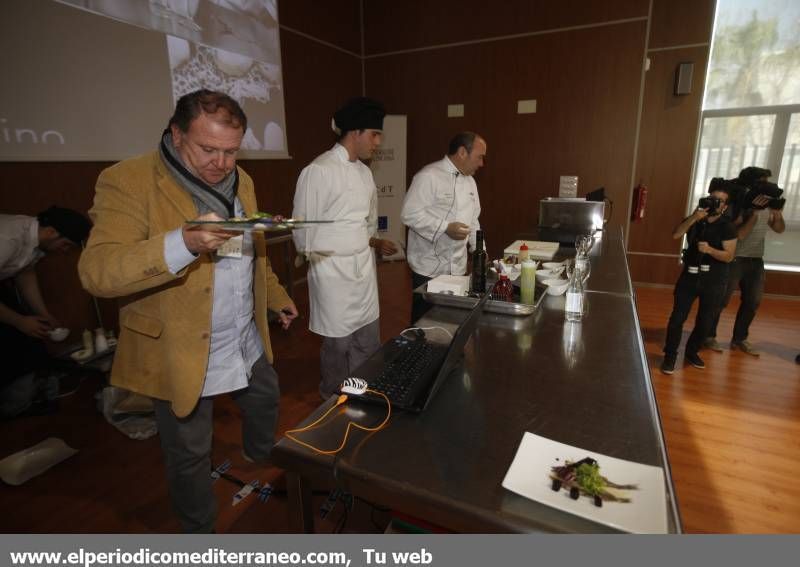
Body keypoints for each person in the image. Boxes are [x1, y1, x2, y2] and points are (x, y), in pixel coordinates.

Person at [78, 89, 298, 533]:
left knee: (265, 396)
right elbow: (98, 272)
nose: (221, 163)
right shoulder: (128, 179)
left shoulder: (243, 180)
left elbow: (252, 251)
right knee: (189, 449)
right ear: (176, 134)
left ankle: (261, 463)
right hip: (179, 344)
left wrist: (275, 297)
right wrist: (184, 242)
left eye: (231, 151)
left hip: (242, 331)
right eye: (208, 149)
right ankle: (199, 532)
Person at [291, 97, 397, 399]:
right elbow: (303, 228)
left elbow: (367, 224)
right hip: (332, 271)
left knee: (367, 337)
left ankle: (361, 390)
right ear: (355, 132)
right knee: (337, 344)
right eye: (374, 135)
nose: (377, 142)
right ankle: (331, 397)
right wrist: (324, 262)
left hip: (363, 269)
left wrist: (372, 242)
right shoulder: (318, 170)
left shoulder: (364, 173)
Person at [1, 206, 91, 418]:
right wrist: (19, 321)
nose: (65, 250)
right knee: (11, 336)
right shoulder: (8, 239)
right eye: (65, 244)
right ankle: (10, 406)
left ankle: (27, 398)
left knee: (28, 337)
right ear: (51, 232)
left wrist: (43, 313)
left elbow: (24, 273)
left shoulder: (36, 242)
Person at [401, 132, 487, 323]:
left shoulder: (470, 182)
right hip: (428, 268)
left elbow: (474, 221)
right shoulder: (428, 176)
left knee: (453, 320)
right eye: (479, 157)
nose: (482, 164)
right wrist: (445, 227)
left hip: (457, 267)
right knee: (424, 323)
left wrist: (480, 251)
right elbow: (409, 214)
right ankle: (419, 353)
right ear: (463, 152)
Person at [704, 167, 785, 357]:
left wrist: (777, 213)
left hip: (756, 259)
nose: (766, 187)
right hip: (735, 258)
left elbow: (779, 229)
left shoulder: (767, 203)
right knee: (721, 300)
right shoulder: (738, 203)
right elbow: (737, 235)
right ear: (752, 184)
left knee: (753, 301)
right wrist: (753, 213)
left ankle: (739, 339)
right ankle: (708, 336)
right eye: (762, 182)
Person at [661, 180, 737, 375]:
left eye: (720, 201)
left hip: (714, 280)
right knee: (677, 318)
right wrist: (695, 216)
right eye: (713, 199)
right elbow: (676, 235)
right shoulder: (696, 219)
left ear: (725, 207)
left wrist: (711, 250)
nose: (715, 203)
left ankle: (692, 351)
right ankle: (669, 356)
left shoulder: (727, 227)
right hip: (690, 276)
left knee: (705, 321)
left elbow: (729, 256)